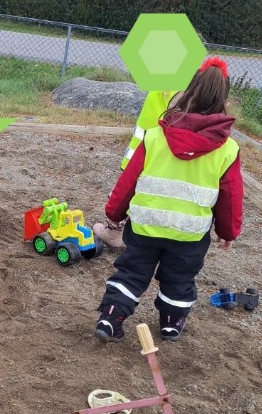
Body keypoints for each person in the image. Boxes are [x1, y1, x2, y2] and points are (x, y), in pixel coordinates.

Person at [94, 56, 243, 343]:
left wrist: (114, 212)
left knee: (132, 272)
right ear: (225, 103)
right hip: (189, 234)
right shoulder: (228, 149)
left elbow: (129, 181)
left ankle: (111, 316)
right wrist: (228, 232)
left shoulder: (154, 137)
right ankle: (172, 324)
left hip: (145, 225)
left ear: (186, 95)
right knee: (179, 278)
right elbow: (230, 195)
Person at [92, 87, 180, 249]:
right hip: (159, 149)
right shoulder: (189, 81)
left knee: (129, 192)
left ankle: (115, 231)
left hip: (152, 150)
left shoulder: (175, 83)